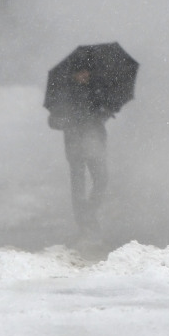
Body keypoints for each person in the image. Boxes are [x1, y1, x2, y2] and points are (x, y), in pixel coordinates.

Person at [47, 67, 112, 237]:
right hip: (74, 144)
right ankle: (83, 222)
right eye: (81, 72)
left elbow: (101, 114)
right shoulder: (64, 95)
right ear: (74, 74)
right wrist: (70, 120)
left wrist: (104, 113)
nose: (85, 75)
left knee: (102, 179)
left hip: (95, 142)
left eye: (87, 72)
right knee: (78, 185)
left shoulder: (97, 90)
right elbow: (53, 121)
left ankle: (88, 213)